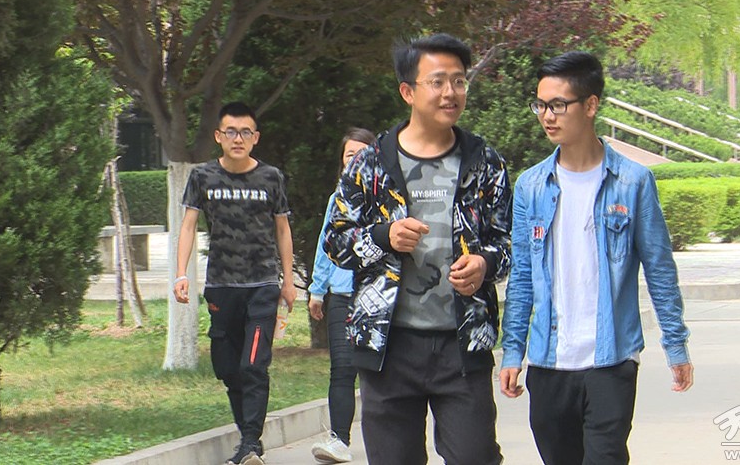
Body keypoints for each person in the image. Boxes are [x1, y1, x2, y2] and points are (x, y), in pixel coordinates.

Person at [324, 33, 512, 465]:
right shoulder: (370, 164)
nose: (451, 92)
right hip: (389, 346)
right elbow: (336, 240)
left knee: (475, 457)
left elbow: (507, 244)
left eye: (459, 81)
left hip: (462, 345)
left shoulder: (485, 163)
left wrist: (485, 263)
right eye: (438, 81)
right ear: (408, 91)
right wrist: (382, 237)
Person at [499, 51, 694, 465]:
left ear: (590, 105)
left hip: (611, 359)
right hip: (549, 362)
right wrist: (512, 351)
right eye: (540, 105)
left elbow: (659, 268)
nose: (546, 116)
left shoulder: (633, 182)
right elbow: (522, 277)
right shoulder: (531, 186)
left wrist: (675, 345)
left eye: (557, 105)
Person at [173, 102, 297, 465]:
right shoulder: (202, 177)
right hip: (222, 287)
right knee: (228, 369)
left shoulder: (271, 177)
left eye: (245, 132)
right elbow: (188, 226)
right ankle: (248, 438)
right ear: (218, 136)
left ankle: (250, 443)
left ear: (255, 138)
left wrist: (289, 281)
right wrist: (181, 274)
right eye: (231, 132)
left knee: (253, 366)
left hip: (262, 287)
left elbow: (283, 229)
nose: (238, 139)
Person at [307, 127, 376, 463]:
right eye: (350, 154)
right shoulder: (337, 200)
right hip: (343, 296)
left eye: (363, 153)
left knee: (380, 371)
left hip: (378, 296)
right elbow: (326, 246)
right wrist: (317, 290)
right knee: (342, 369)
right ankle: (339, 440)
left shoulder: (386, 199)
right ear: (342, 161)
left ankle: (388, 439)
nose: (356, 159)